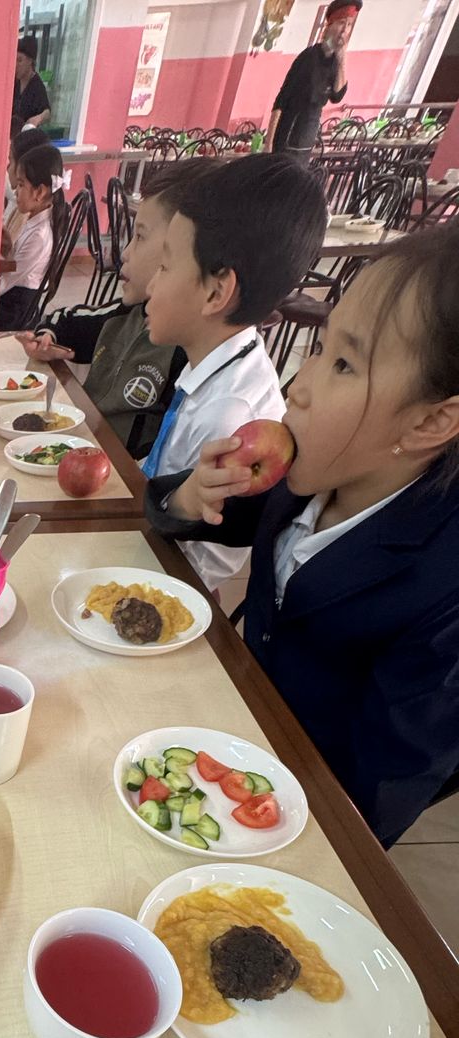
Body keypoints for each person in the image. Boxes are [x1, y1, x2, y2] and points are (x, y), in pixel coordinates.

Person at [146, 223, 459, 846]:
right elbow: (181, 511)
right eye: (319, 346)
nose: (300, 386)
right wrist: (191, 492)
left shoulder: (442, 590)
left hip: (290, 810)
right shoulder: (308, 478)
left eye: (343, 363)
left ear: (430, 422)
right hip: (230, 714)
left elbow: (375, 798)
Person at [140, 153, 327, 586]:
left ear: (216, 292)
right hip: (155, 537)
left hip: (171, 578)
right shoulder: (220, 363)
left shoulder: (228, 415)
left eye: (164, 266)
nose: (151, 284)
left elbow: (198, 564)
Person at [16, 162, 206, 458]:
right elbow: (67, 320)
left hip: (115, 468)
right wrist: (48, 335)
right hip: (80, 444)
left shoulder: (188, 357)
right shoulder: (126, 315)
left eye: (140, 237)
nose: (125, 253)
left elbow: (154, 462)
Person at [266, 0, 360, 160]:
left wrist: (342, 58)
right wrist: (269, 144)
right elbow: (281, 100)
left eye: (349, 25)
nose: (344, 30)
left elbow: (337, 96)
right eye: (341, 23)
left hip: (308, 135)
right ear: (330, 25)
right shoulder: (308, 57)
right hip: (288, 134)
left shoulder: (336, 62)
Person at [0, 143, 64, 332]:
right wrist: (8, 248)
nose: (15, 191)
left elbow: (9, 279)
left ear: (39, 192)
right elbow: (16, 265)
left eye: (21, 185)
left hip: (15, 309)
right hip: (13, 296)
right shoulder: (33, 221)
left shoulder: (40, 236)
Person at [3, 125, 52, 254]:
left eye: (11, 160)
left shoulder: (25, 211)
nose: (7, 167)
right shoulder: (21, 204)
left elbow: (12, 263)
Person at [12, 36, 51, 131]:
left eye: (20, 60)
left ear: (30, 61)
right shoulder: (14, 82)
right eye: (14, 60)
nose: (16, 65)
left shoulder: (36, 86)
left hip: (26, 134)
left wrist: (38, 118)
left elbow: (47, 112)